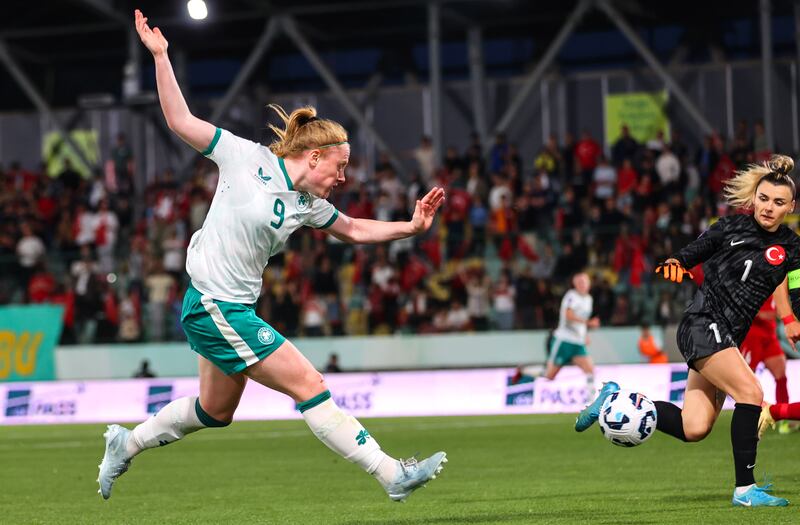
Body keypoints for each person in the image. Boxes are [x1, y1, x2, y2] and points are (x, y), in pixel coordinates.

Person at [97, 10, 448, 503]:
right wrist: (161, 57)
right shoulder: (245, 158)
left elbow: (351, 229)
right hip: (214, 304)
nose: (343, 177)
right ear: (315, 157)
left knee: (214, 411)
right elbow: (179, 120)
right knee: (310, 382)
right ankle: (392, 474)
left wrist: (410, 227)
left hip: (230, 307)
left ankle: (125, 443)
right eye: (340, 166)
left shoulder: (309, 204)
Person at [575, 155, 799, 507]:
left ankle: (613, 399)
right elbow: (692, 252)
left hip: (726, 338)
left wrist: (794, 319)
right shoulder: (728, 228)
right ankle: (745, 490)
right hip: (702, 324)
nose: (769, 207)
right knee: (751, 393)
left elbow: (796, 288)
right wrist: (676, 262)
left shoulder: (791, 247)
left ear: (791, 206)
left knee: (693, 427)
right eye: (764, 198)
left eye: (778, 202)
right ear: (754, 197)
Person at [738, 296, 792, 434]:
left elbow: (779, 308)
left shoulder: (778, 282)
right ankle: (747, 420)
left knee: (781, 376)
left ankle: (783, 419)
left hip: (769, 335)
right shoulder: (752, 280)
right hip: (751, 336)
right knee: (745, 382)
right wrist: (762, 313)